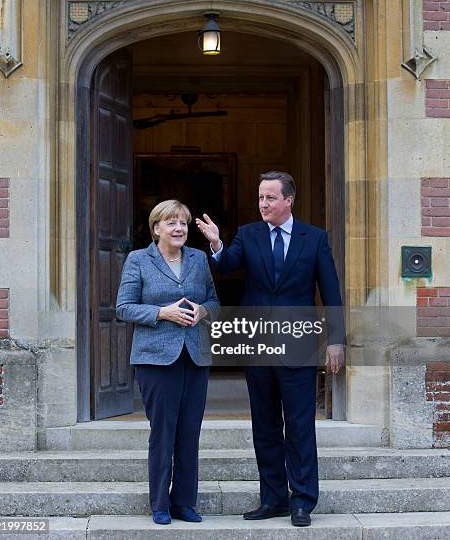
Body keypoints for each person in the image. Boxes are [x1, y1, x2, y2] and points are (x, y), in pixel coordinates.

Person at [196, 171, 345, 528]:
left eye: (270, 198)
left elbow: (331, 292)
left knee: (299, 425)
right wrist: (217, 244)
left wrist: (336, 340)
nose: (263, 204)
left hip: (299, 343)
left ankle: (303, 501)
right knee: (264, 426)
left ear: (288, 200)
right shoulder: (249, 234)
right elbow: (229, 266)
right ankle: (273, 499)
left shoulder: (315, 238)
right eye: (260, 197)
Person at [116, 199, 219, 526]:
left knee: (189, 432)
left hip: (195, 356)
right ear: (156, 227)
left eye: (184, 224)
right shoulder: (138, 260)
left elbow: (214, 301)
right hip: (155, 360)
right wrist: (163, 312)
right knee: (164, 432)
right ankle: (160, 503)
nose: (179, 229)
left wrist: (202, 311)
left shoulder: (199, 259)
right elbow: (124, 308)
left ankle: (184, 504)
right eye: (172, 223)